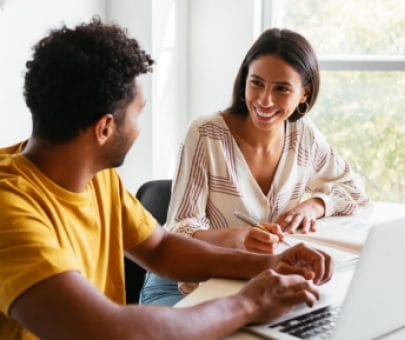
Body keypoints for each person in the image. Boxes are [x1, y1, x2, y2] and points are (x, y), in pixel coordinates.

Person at [0, 18, 335, 340]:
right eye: (138, 113)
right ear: (104, 129)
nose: (139, 128)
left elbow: (160, 249)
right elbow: (104, 331)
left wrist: (268, 263)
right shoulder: (9, 211)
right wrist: (249, 302)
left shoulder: (94, 176)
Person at [140, 28, 369, 306]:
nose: (264, 100)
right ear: (244, 81)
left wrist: (313, 205)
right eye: (256, 83)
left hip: (252, 282)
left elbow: (354, 189)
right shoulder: (206, 134)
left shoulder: (303, 136)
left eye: (282, 89)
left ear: (304, 94)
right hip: (183, 282)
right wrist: (239, 239)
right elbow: (180, 231)